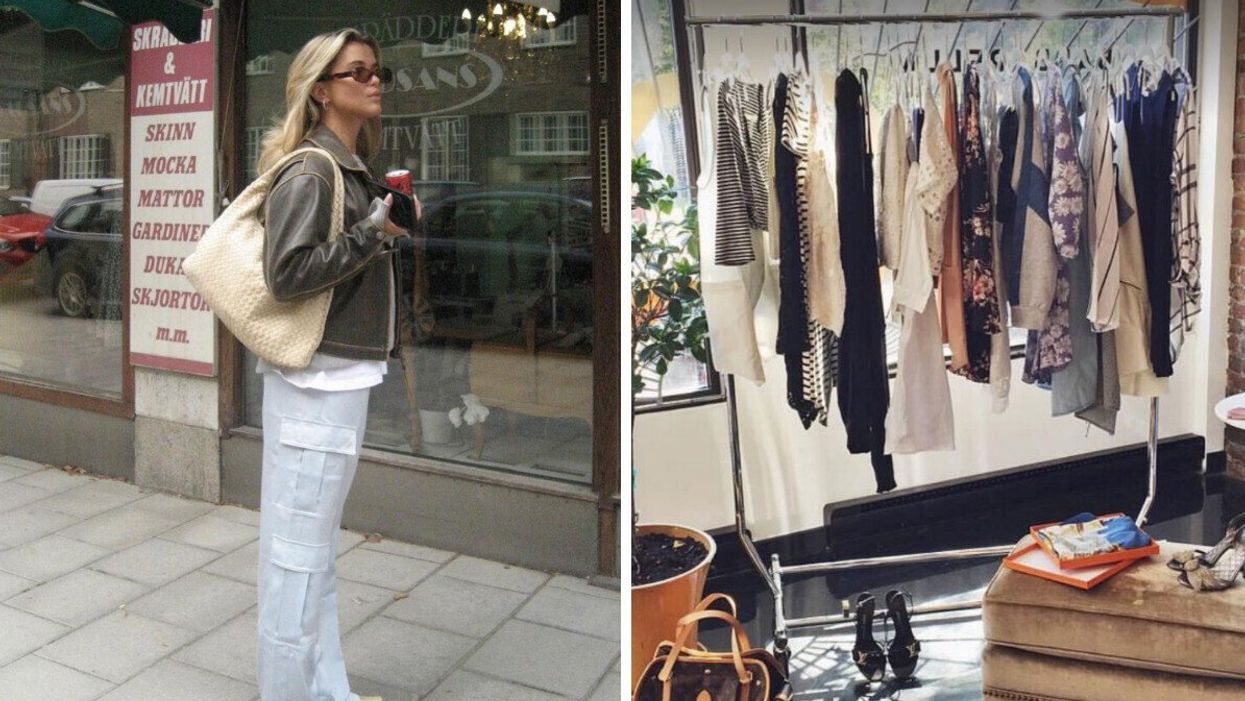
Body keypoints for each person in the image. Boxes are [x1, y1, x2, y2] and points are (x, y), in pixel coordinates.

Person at [254, 28, 415, 701]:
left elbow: (337, 266)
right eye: (357, 72)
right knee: (297, 557)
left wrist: (381, 231)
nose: (374, 81)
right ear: (321, 89)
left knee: (311, 554)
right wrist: (370, 232)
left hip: (332, 383)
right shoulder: (312, 168)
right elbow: (285, 275)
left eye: (378, 70)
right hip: (313, 387)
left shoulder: (344, 166)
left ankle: (325, 690)